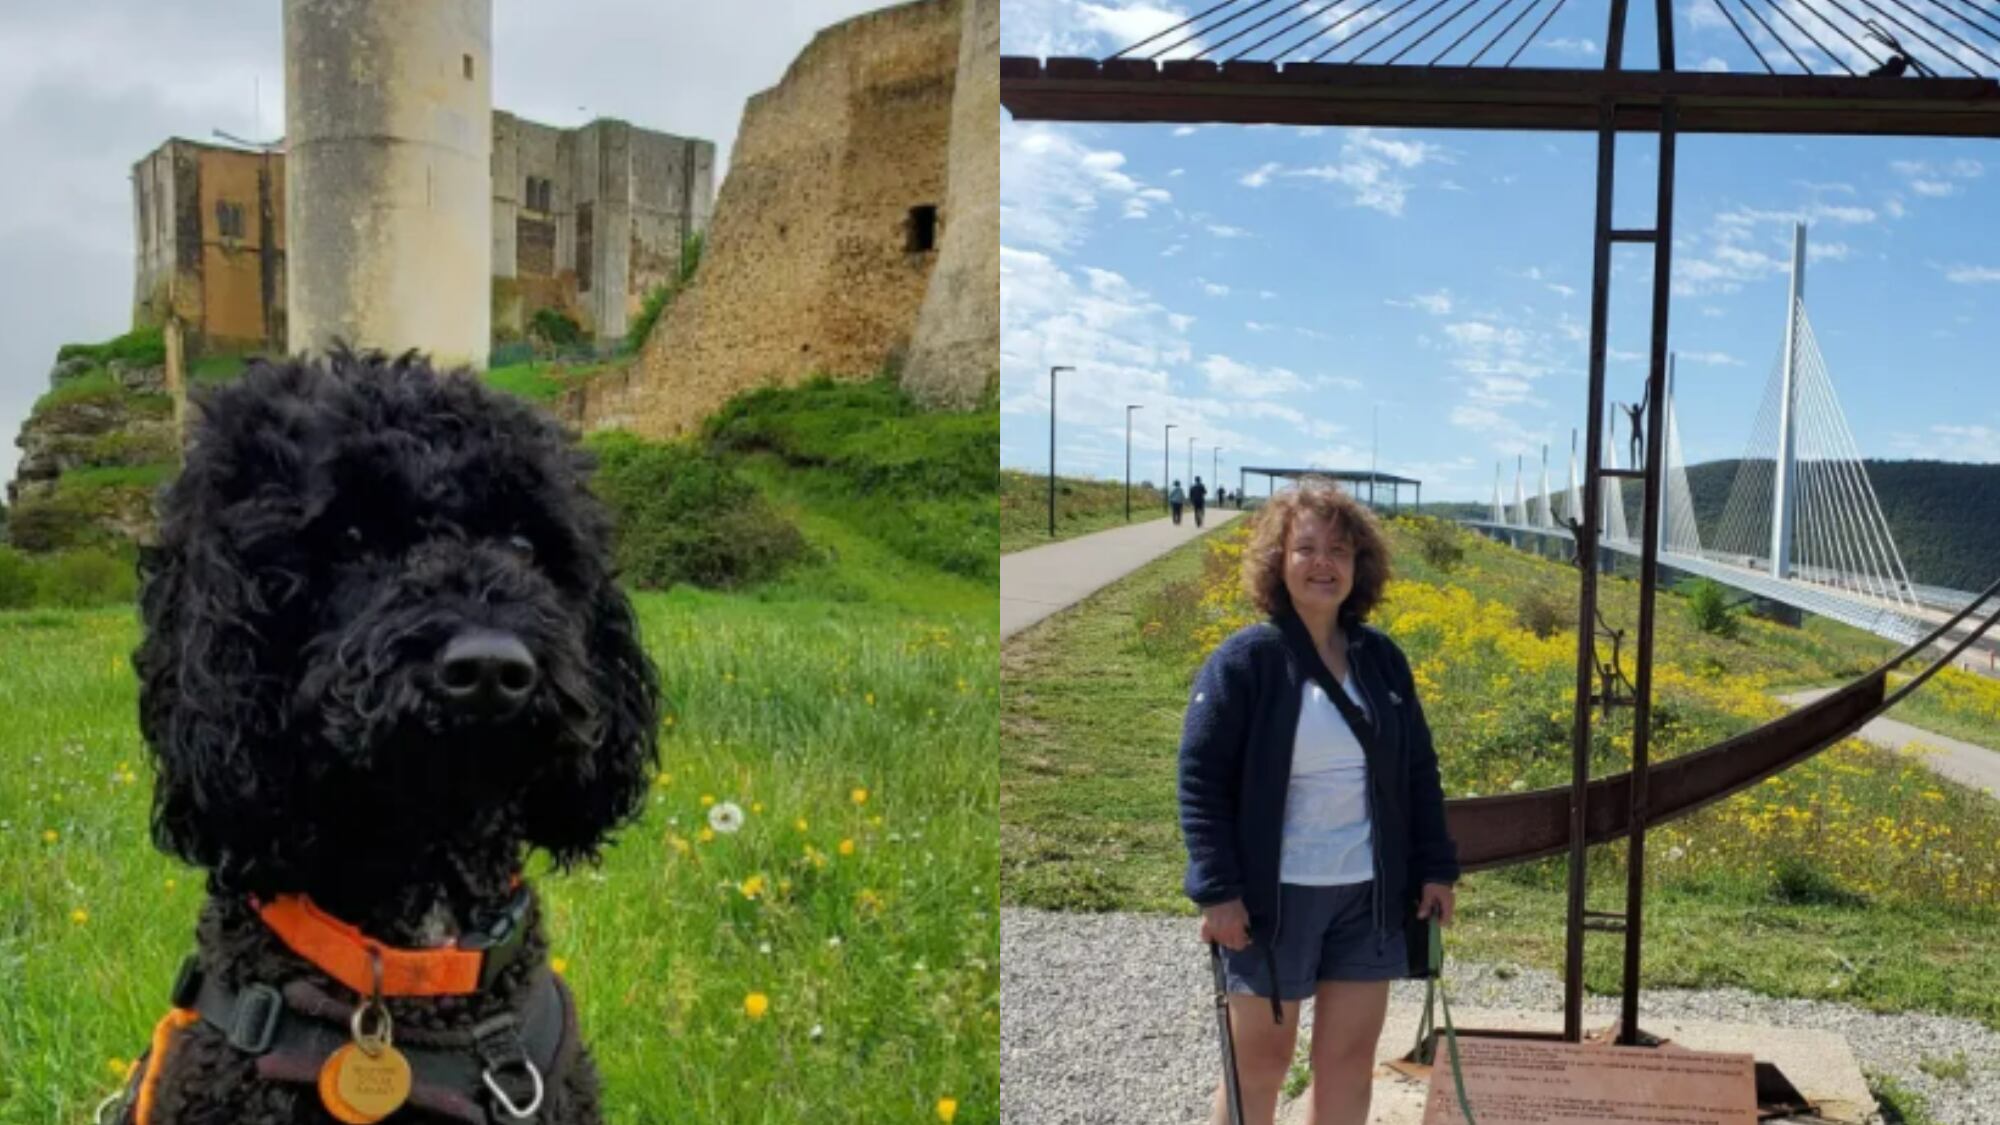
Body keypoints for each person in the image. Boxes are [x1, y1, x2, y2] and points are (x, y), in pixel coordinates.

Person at [1177, 476, 1460, 1125]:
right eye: (1306, 547)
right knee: (1259, 1065)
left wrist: (1436, 867)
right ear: (1278, 560)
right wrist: (1216, 888)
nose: (1323, 563)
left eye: (1339, 549)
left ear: (1360, 565)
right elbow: (1200, 776)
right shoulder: (1246, 661)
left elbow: (1418, 769)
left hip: (1370, 896)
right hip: (1272, 900)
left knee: (1348, 1064)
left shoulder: (1382, 660)